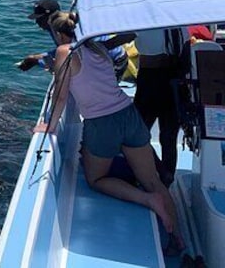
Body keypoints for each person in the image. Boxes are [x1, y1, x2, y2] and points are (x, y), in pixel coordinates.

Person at [36, 12, 183, 250]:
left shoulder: (66, 52)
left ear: (60, 34)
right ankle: (178, 238)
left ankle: (147, 200)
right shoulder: (99, 49)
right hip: (128, 113)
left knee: (96, 179)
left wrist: (48, 127)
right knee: (154, 181)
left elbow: (61, 96)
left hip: (102, 122)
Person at [17, 0, 129, 81]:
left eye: (39, 19)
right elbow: (64, 51)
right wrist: (36, 58)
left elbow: (71, 53)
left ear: (49, 17)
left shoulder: (69, 28)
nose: (36, 23)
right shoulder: (53, 29)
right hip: (94, 59)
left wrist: (37, 60)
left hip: (113, 60)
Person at [132, 27, 189, 186]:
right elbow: (186, 62)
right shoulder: (181, 29)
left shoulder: (144, 25)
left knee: (137, 134)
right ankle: (167, 177)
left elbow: (118, 40)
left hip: (149, 82)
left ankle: (158, 170)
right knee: (169, 137)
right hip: (175, 84)